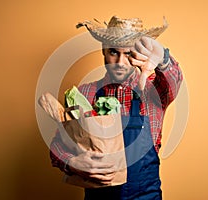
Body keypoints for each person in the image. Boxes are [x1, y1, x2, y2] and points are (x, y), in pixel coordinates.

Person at [50, 15, 183, 200]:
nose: (120, 62)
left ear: (139, 54)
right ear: (103, 51)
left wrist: (164, 59)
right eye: (113, 52)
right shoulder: (85, 93)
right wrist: (72, 162)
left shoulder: (153, 91)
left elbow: (174, 81)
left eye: (128, 53)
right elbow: (59, 144)